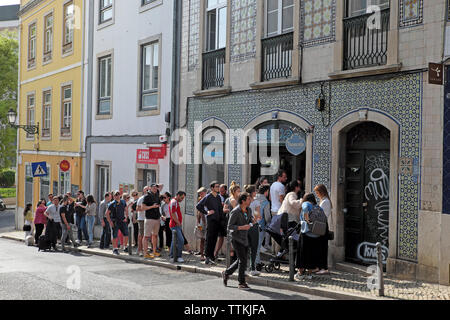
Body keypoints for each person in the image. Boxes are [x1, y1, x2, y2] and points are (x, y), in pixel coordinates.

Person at [221, 192, 253, 290]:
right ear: (243, 201)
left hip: (245, 238)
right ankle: (241, 282)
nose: (250, 200)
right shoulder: (235, 211)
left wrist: (252, 222)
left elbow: (249, 221)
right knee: (242, 260)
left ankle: (226, 273)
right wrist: (242, 227)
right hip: (236, 238)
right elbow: (230, 226)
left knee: (241, 259)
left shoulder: (249, 210)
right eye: (248, 199)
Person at [295, 193, 324, 280]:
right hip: (315, 234)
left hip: (305, 233)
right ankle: (309, 274)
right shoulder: (317, 206)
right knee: (311, 254)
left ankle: (300, 273)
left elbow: (304, 208)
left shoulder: (306, 203)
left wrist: (308, 220)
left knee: (302, 253)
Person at [196, 181, 224, 265]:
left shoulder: (218, 197)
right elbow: (198, 206)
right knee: (209, 239)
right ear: (212, 188)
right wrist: (207, 212)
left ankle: (212, 257)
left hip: (218, 221)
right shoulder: (208, 197)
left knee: (214, 239)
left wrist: (222, 219)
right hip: (211, 220)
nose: (218, 188)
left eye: (218, 186)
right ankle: (207, 257)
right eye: (216, 186)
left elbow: (220, 209)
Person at [314, 184, 332, 275]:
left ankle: (323, 267)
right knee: (320, 247)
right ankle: (320, 266)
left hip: (322, 225)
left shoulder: (325, 202)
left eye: (317, 192)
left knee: (322, 247)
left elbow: (321, 214)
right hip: (322, 225)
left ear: (321, 192)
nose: (317, 194)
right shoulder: (325, 201)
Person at [106, 191, 130, 255]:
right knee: (115, 235)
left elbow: (126, 209)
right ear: (113, 196)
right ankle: (115, 248)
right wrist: (110, 222)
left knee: (126, 234)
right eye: (115, 195)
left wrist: (126, 217)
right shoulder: (111, 204)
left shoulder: (123, 202)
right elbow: (107, 214)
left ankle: (125, 247)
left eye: (118, 194)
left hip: (122, 220)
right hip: (115, 221)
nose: (117, 196)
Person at [244, 185, 261, 276]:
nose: (256, 192)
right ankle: (252, 268)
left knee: (247, 247)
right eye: (255, 191)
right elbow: (258, 215)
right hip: (253, 226)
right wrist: (255, 220)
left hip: (246, 226)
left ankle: (246, 268)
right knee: (253, 247)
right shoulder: (256, 202)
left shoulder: (244, 201)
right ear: (252, 193)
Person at [141, 184, 161, 259]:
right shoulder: (147, 196)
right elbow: (142, 208)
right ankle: (145, 253)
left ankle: (154, 251)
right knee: (146, 236)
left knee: (155, 235)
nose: (155, 189)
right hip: (149, 218)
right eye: (154, 187)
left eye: (156, 187)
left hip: (157, 218)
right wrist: (152, 206)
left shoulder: (157, 195)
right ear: (150, 188)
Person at [254, 184, 270, 268]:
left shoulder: (253, 199)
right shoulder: (265, 202)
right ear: (266, 192)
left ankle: (256, 262)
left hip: (251, 224)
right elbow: (267, 216)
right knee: (258, 245)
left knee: (253, 245)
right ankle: (256, 263)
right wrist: (269, 224)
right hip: (261, 226)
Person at [169, 191, 186, 263]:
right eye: (181, 198)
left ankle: (172, 255)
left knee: (174, 241)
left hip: (175, 224)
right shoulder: (174, 202)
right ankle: (178, 256)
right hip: (175, 225)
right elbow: (173, 213)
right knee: (181, 240)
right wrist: (178, 222)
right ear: (178, 195)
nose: (182, 199)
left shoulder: (174, 202)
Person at [195, 187, 207, 261]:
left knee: (207, 239)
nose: (200, 194)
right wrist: (198, 222)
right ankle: (202, 254)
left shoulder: (208, 199)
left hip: (208, 220)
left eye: (201, 193)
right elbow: (198, 213)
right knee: (202, 238)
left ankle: (206, 254)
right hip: (202, 223)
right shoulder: (200, 200)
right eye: (199, 193)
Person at [136, 186, 149, 256]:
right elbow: (137, 208)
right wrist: (145, 208)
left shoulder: (150, 199)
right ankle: (140, 250)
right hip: (141, 219)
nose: (148, 191)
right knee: (141, 235)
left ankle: (145, 250)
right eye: (146, 190)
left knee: (147, 235)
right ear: (144, 191)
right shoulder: (141, 199)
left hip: (149, 219)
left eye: (149, 190)